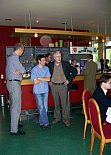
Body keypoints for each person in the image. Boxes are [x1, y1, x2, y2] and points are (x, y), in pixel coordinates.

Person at [47, 51, 77, 127]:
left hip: (63, 86)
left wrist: (68, 80)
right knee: (56, 103)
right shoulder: (50, 65)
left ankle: (66, 119)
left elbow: (74, 71)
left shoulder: (66, 64)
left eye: (60, 56)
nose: (59, 58)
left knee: (65, 104)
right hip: (53, 86)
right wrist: (48, 81)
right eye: (57, 56)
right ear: (54, 57)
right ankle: (57, 118)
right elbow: (45, 73)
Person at [6, 43, 26, 135]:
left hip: (11, 83)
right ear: (20, 49)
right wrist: (20, 72)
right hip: (14, 83)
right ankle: (14, 130)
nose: (22, 52)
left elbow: (19, 71)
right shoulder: (14, 58)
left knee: (13, 106)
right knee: (16, 107)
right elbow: (23, 70)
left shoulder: (9, 58)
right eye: (22, 50)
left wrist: (19, 72)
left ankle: (15, 124)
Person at [31, 55, 51, 128]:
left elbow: (48, 79)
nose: (45, 61)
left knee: (45, 107)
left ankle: (41, 122)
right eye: (43, 60)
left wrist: (39, 78)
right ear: (39, 61)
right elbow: (35, 81)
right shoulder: (34, 69)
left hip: (45, 90)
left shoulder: (46, 68)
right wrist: (44, 78)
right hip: (38, 91)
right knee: (41, 107)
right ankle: (46, 123)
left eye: (45, 60)